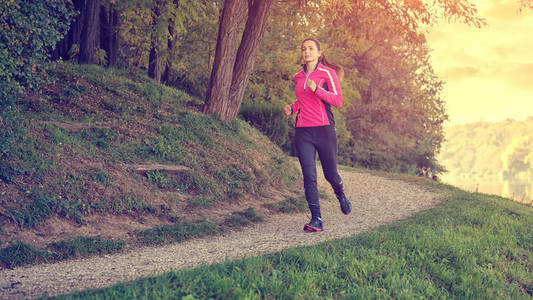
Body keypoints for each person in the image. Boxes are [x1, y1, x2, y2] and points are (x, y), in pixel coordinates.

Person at [283, 37, 352, 233]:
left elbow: (337, 100)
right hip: (303, 131)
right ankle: (316, 219)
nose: (306, 52)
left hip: (324, 129)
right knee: (309, 176)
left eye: (311, 48)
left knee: (330, 174)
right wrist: (291, 108)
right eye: (303, 49)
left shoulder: (327, 73)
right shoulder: (297, 76)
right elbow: (302, 101)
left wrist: (317, 89)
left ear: (319, 53)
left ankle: (341, 195)